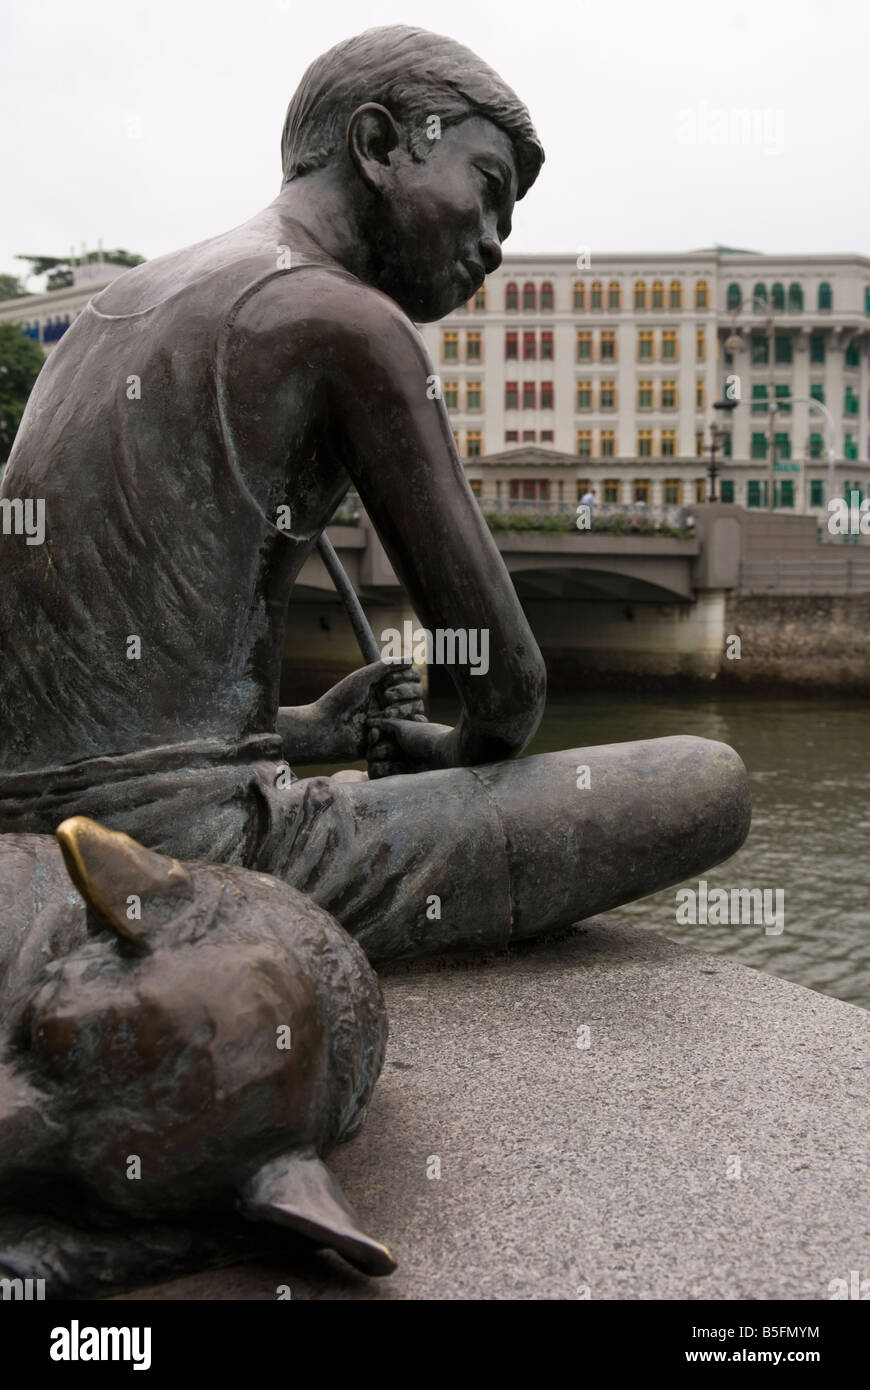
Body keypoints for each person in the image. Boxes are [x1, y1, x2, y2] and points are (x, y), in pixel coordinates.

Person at [0, 26, 749, 964]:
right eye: (487, 191)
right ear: (381, 143)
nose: (494, 247)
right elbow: (507, 695)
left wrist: (315, 732)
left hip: (34, 840)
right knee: (707, 782)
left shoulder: (101, 320)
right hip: (193, 861)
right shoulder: (347, 321)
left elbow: (94, 706)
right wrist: (440, 751)